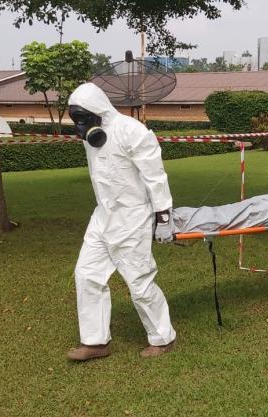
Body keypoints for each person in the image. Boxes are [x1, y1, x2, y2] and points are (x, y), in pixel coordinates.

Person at [66, 83, 176, 361]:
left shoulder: (132, 131)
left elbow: (155, 176)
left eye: (83, 120)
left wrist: (164, 217)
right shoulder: (92, 138)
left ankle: (163, 337)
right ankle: (95, 341)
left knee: (139, 280)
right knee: (87, 274)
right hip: (102, 215)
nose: (81, 128)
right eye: (76, 121)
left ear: (98, 111)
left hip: (133, 216)